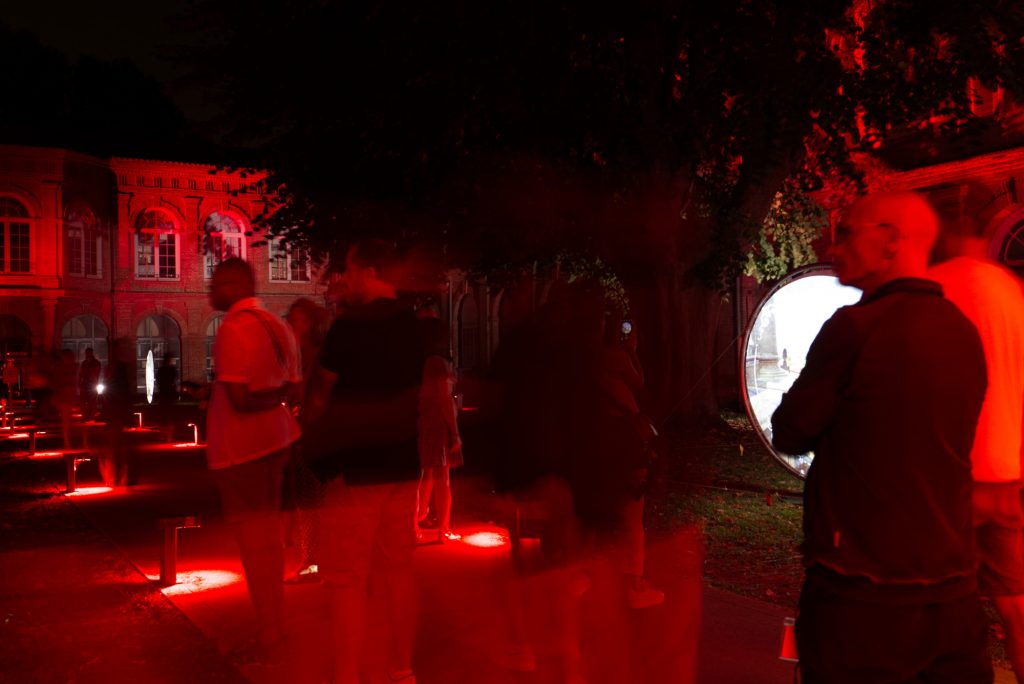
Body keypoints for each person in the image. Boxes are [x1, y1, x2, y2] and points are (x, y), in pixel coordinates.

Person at [771, 191, 991, 683]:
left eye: (845, 233)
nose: (833, 247)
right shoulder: (963, 331)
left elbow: (791, 431)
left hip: (860, 592)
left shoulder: (854, 328)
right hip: (954, 589)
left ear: (890, 240)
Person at [303, 239, 427, 684]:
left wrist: (309, 426)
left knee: (349, 579)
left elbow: (321, 394)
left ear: (371, 272)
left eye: (352, 271)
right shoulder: (414, 326)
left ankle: (348, 674)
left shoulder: (350, 327)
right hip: (403, 463)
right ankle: (402, 668)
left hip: (356, 469)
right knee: (400, 571)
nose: (347, 279)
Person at [930, 183, 1024, 682]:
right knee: (1016, 605)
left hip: (952, 477)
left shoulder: (934, 288)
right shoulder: (1012, 294)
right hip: (1005, 474)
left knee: (948, 603)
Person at [206, 257, 302, 658]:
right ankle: (275, 624)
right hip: (277, 441)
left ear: (235, 285)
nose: (211, 290)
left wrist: (267, 398)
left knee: (254, 544)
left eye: (216, 283)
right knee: (270, 541)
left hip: (241, 450)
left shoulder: (233, 329)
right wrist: (278, 399)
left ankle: (270, 633)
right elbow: (293, 389)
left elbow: (241, 400)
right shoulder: (278, 325)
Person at [282, 297, 328, 582]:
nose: (289, 324)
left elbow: (314, 396)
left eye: (294, 319)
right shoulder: (300, 354)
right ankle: (313, 557)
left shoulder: (315, 355)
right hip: (302, 434)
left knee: (311, 497)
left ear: (309, 323)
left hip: (313, 436)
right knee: (305, 496)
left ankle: (313, 561)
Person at [415, 307, 463, 542]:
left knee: (425, 476)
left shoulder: (420, 362)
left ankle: (417, 522)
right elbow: (445, 399)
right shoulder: (437, 363)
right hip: (436, 423)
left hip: (423, 421)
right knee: (442, 479)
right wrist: (455, 433)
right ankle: (443, 528)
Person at [155, 352, 178, 442]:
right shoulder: (172, 370)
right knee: (169, 415)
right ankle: (169, 435)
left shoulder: (161, 370)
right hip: (169, 395)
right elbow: (175, 380)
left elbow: (158, 381)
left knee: (164, 415)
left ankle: (164, 434)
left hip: (164, 394)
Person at [78, 348, 102, 422]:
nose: (87, 354)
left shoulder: (92, 363)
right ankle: (87, 415)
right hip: (88, 384)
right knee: (87, 400)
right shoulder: (86, 363)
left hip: (90, 383)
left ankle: (89, 415)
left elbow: (95, 373)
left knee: (90, 400)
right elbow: (81, 373)